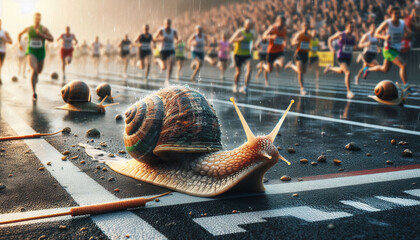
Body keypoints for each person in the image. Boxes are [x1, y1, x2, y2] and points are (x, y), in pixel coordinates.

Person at [363, 6, 410, 86]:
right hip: (388, 49)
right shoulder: (387, 23)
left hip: (396, 49)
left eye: (399, 13)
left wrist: (407, 35)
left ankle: (368, 69)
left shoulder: (402, 23)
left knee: (384, 69)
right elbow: (376, 33)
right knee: (403, 65)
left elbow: (409, 33)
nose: (398, 15)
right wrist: (384, 37)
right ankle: (406, 86)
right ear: (391, 14)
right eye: (395, 14)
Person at [18, 13, 53, 101]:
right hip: (31, 51)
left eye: (39, 18)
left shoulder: (44, 29)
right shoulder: (29, 29)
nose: (37, 20)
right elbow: (20, 34)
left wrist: (42, 35)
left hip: (41, 53)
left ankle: (35, 75)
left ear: (40, 19)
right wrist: (19, 44)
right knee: (34, 70)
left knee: (39, 71)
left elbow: (51, 38)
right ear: (33, 19)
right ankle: (34, 92)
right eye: (36, 18)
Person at [324, 21, 357, 99]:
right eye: (350, 27)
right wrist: (331, 48)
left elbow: (355, 45)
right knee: (348, 73)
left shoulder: (353, 37)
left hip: (348, 58)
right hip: (341, 57)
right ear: (346, 27)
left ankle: (330, 68)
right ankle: (349, 92)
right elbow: (330, 39)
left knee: (341, 71)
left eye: (353, 27)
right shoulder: (341, 34)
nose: (351, 29)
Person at [229, 19, 255, 94]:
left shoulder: (251, 34)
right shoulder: (240, 32)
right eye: (247, 25)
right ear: (245, 25)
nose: (249, 27)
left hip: (247, 54)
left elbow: (252, 41)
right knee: (238, 72)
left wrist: (253, 46)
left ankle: (245, 87)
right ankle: (235, 85)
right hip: (238, 54)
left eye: (250, 25)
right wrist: (240, 39)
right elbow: (231, 41)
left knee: (249, 69)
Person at [285, 22, 311, 95]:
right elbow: (292, 42)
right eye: (304, 26)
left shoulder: (309, 35)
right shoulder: (299, 34)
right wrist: (296, 43)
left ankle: (291, 65)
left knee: (303, 71)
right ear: (302, 27)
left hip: (305, 54)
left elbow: (308, 44)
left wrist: (308, 48)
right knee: (300, 72)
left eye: (307, 26)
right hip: (299, 53)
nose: (306, 27)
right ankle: (302, 88)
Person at [262, 15, 287, 86]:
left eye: (283, 22)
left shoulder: (284, 30)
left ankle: (276, 61)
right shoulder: (273, 28)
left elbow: (284, 38)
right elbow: (263, 36)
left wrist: (285, 42)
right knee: (269, 70)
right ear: (277, 21)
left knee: (282, 63)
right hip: (271, 51)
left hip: (279, 50)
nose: (281, 24)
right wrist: (271, 36)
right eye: (280, 22)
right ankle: (263, 66)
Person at [154, 18, 179, 86]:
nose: (167, 25)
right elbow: (154, 38)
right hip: (163, 50)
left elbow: (177, 39)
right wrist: (161, 38)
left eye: (169, 23)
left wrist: (178, 41)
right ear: (164, 24)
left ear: (170, 24)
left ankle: (167, 80)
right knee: (164, 67)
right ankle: (158, 60)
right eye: (166, 24)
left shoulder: (173, 31)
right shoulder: (161, 30)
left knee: (171, 62)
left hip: (171, 49)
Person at [0, 19, 13, 85]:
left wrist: (6, 40)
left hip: (2, 51)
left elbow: (11, 41)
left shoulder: (4, 32)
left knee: (0, 66)